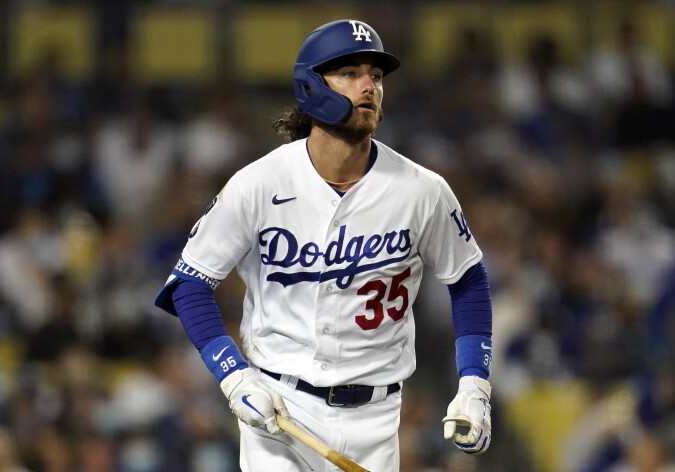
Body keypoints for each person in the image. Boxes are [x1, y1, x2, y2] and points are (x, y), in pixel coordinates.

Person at [154, 19, 494, 471]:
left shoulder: (422, 190)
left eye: (374, 75)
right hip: (280, 410)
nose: (368, 85)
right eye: (350, 73)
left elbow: (468, 279)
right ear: (311, 87)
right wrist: (233, 376)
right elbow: (189, 284)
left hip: (378, 417)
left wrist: (475, 384)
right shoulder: (259, 184)